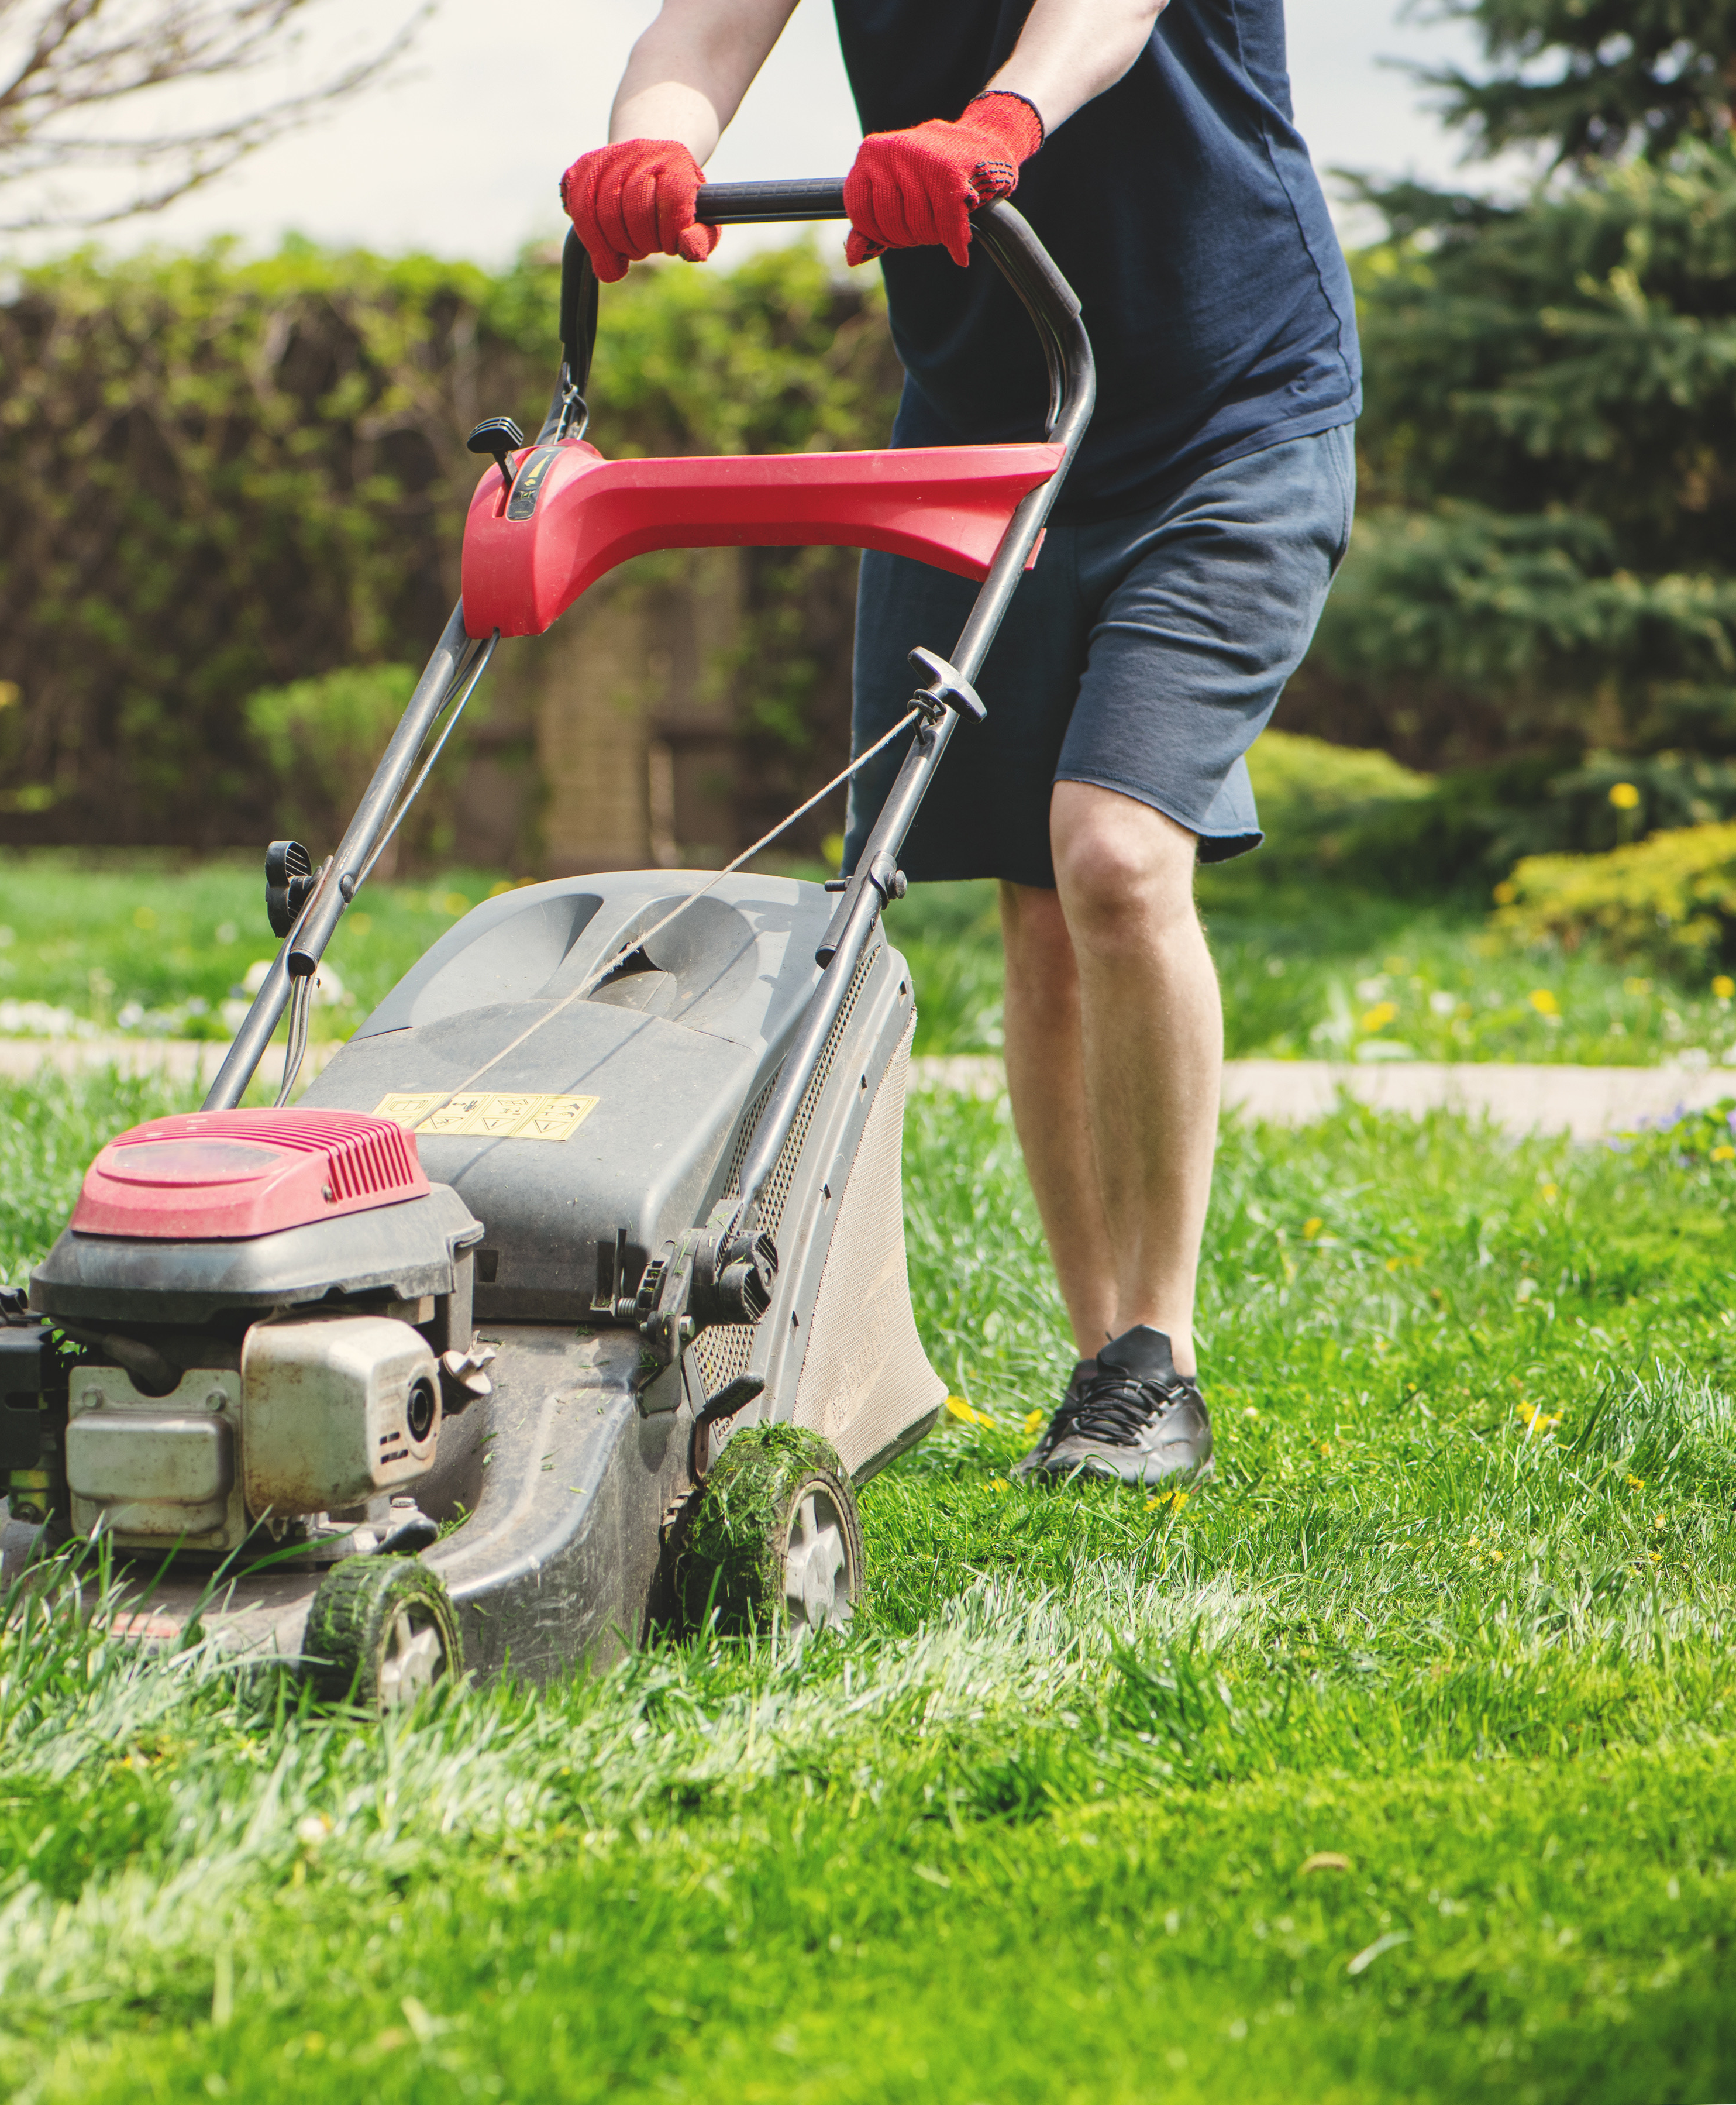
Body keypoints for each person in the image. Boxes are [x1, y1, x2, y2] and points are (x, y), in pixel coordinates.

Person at [563, 0, 1358, 1484]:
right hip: (986, 424)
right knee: (1036, 903)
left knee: (1114, 853)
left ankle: (1160, 1353)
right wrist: (650, 149)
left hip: (1224, 413)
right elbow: (705, 31)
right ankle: (1103, 1365)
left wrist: (1002, 117)